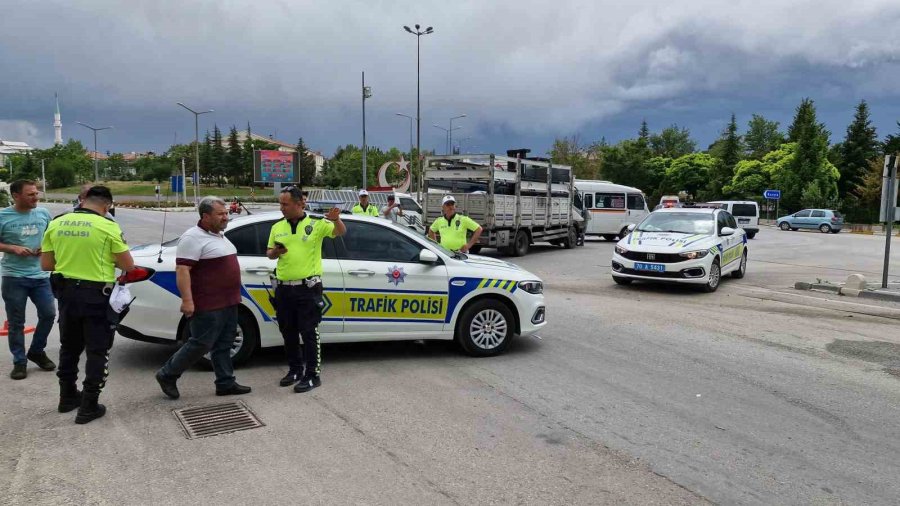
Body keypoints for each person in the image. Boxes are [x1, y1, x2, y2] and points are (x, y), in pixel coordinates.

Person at [40, 186, 134, 424]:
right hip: (96, 296)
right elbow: (128, 264)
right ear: (107, 206)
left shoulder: (57, 223)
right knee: (97, 350)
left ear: (83, 201)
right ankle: (89, 405)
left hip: (66, 295)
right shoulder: (107, 226)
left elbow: (47, 264)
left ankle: (67, 397)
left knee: (69, 347)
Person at [155, 197, 251, 400]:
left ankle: (225, 382)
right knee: (200, 343)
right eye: (221, 214)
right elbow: (182, 270)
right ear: (206, 216)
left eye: (226, 213)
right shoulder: (192, 237)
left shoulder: (219, 235)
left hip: (229, 301)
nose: (226, 217)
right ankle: (167, 374)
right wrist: (187, 300)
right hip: (208, 303)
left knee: (224, 344)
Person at [267, 186, 345, 392]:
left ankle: (312, 375)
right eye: (280, 204)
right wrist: (276, 251)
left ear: (299, 203)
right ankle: (294, 370)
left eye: (285, 204)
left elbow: (339, 232)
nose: (281, 208)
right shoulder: (277, 227)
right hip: (284, 289)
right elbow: (269, 254)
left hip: (307, 288)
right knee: (288, 331)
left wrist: (336, 219)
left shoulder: (316, 224)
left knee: (309, 332)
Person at [0, 180, 56, 380]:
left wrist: (46, 247)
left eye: (36, 193)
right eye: (30, 194)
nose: (36, 197)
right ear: (16, 196)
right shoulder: (3, 216)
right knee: (16, 322)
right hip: (13, 276)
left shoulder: (42, 214)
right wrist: (12, 248)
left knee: (49, 314)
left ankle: (37, 351)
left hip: (40, 274)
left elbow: (52, 237)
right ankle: (19, 362)